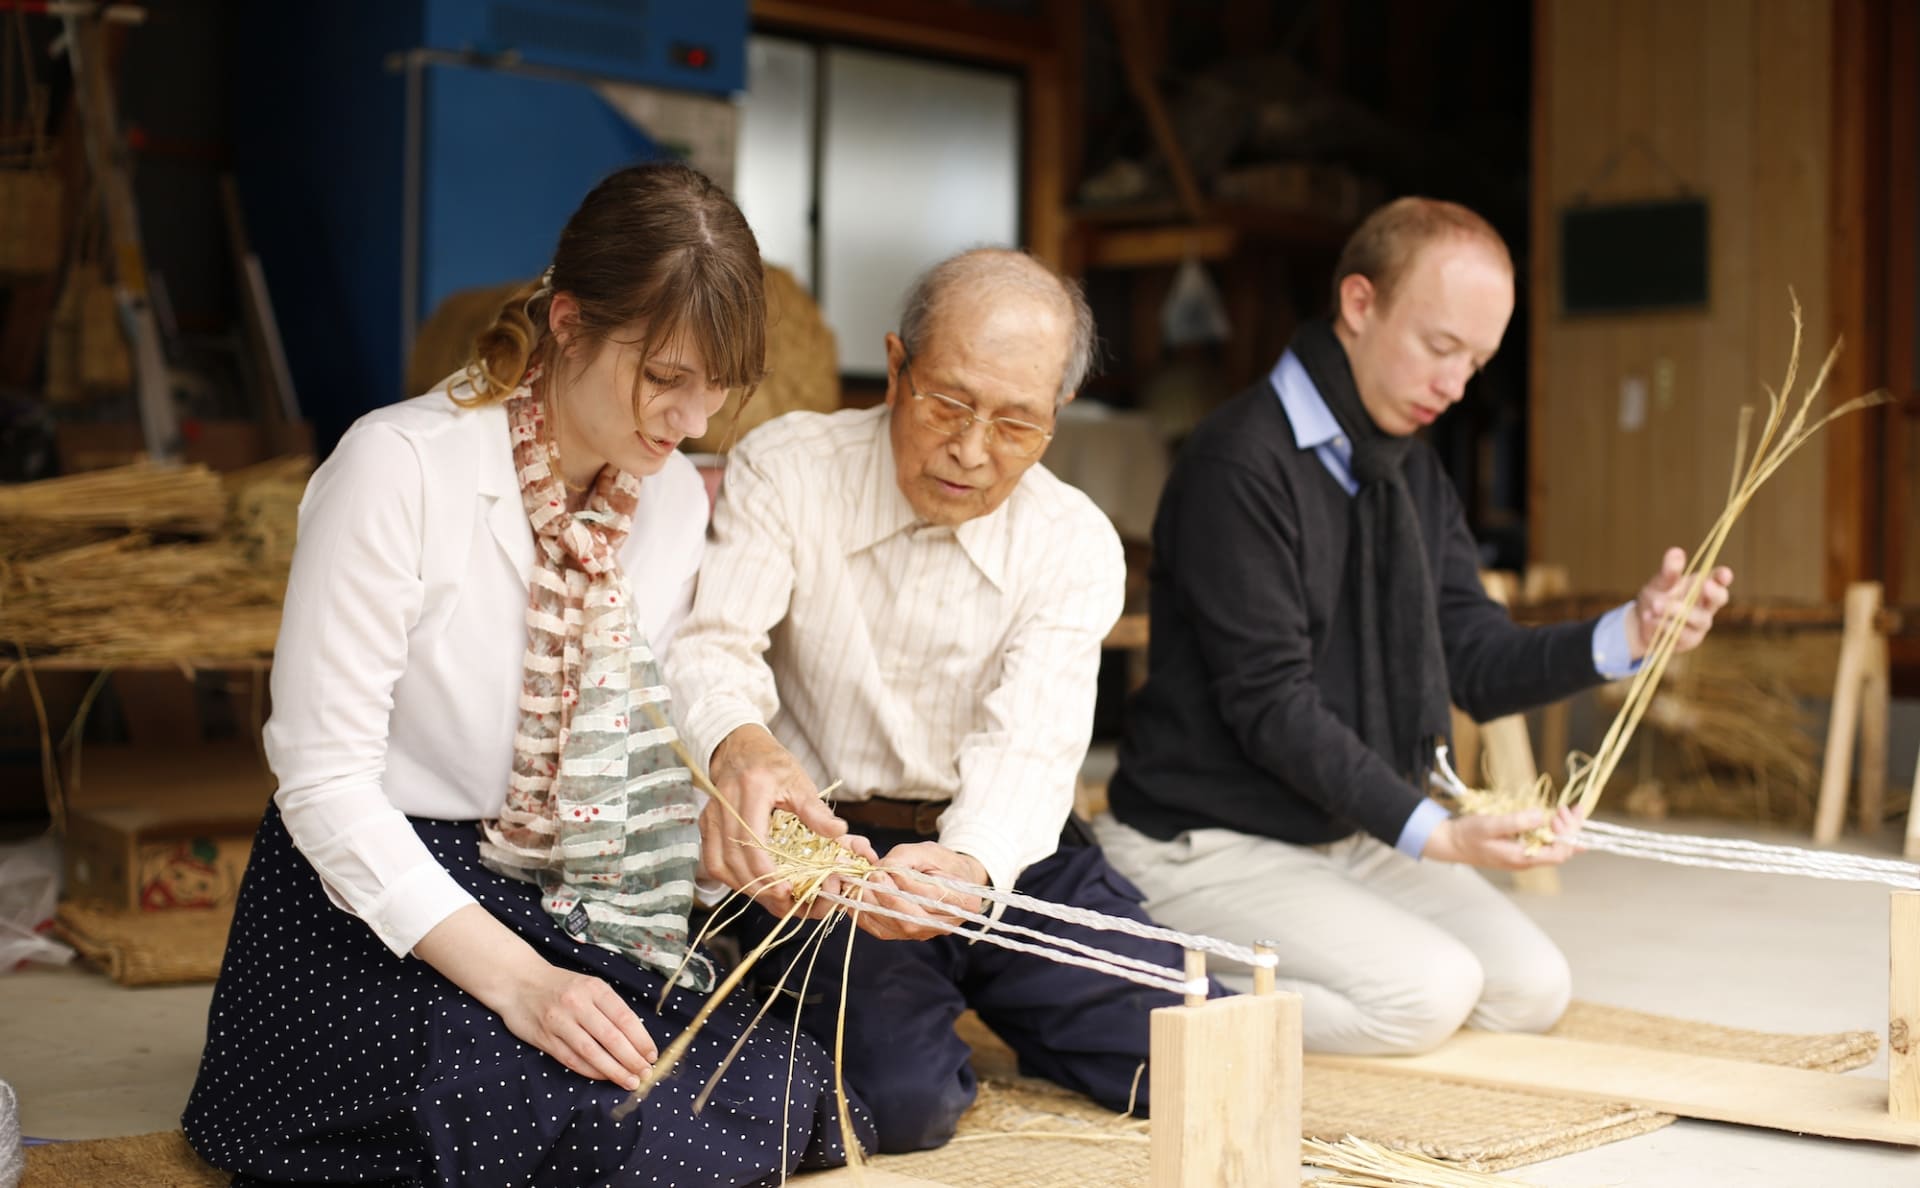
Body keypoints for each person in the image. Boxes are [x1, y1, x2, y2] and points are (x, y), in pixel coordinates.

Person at [183, 162, 870, 1186]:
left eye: (717, 389)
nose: (689, 419)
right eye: (664, 376)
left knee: (786, 1085)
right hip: (380, 899)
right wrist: (521, 984)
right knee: (590, 1123)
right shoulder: (399, 467)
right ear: (568, 323)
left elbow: (656, 710)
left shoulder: (671, 496)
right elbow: (322, 784)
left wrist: (748, 822)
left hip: (551, 886)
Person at [1095, 197, 1734, 1056]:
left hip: (1337, 830)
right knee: (1425, 997)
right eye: (1440, 348)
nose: (1456, 385)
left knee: (1529, 989)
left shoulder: (1406, 469)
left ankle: (1304, 992)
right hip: (1206, 842)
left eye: (1476, 361)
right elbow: (1270, 703)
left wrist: (1631, 632)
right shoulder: (1237, 462)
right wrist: (1435, 832)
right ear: (1359, 305)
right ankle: (1120, 995)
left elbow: (1471, 656)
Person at [667, 248, 1209, 1155]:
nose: (971, 450)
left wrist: (968, 871)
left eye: (1015, 425)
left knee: (1199, 1047)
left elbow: (1031, 750)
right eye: (949, 403)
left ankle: (986, 989)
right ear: (895, 365)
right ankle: (799, 986)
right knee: (904, 1102)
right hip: (837, 852)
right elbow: (714, 646)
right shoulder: (788, 467)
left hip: (1005, 849)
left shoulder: (1072, 540)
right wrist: (745, 745)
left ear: (1055, 418)